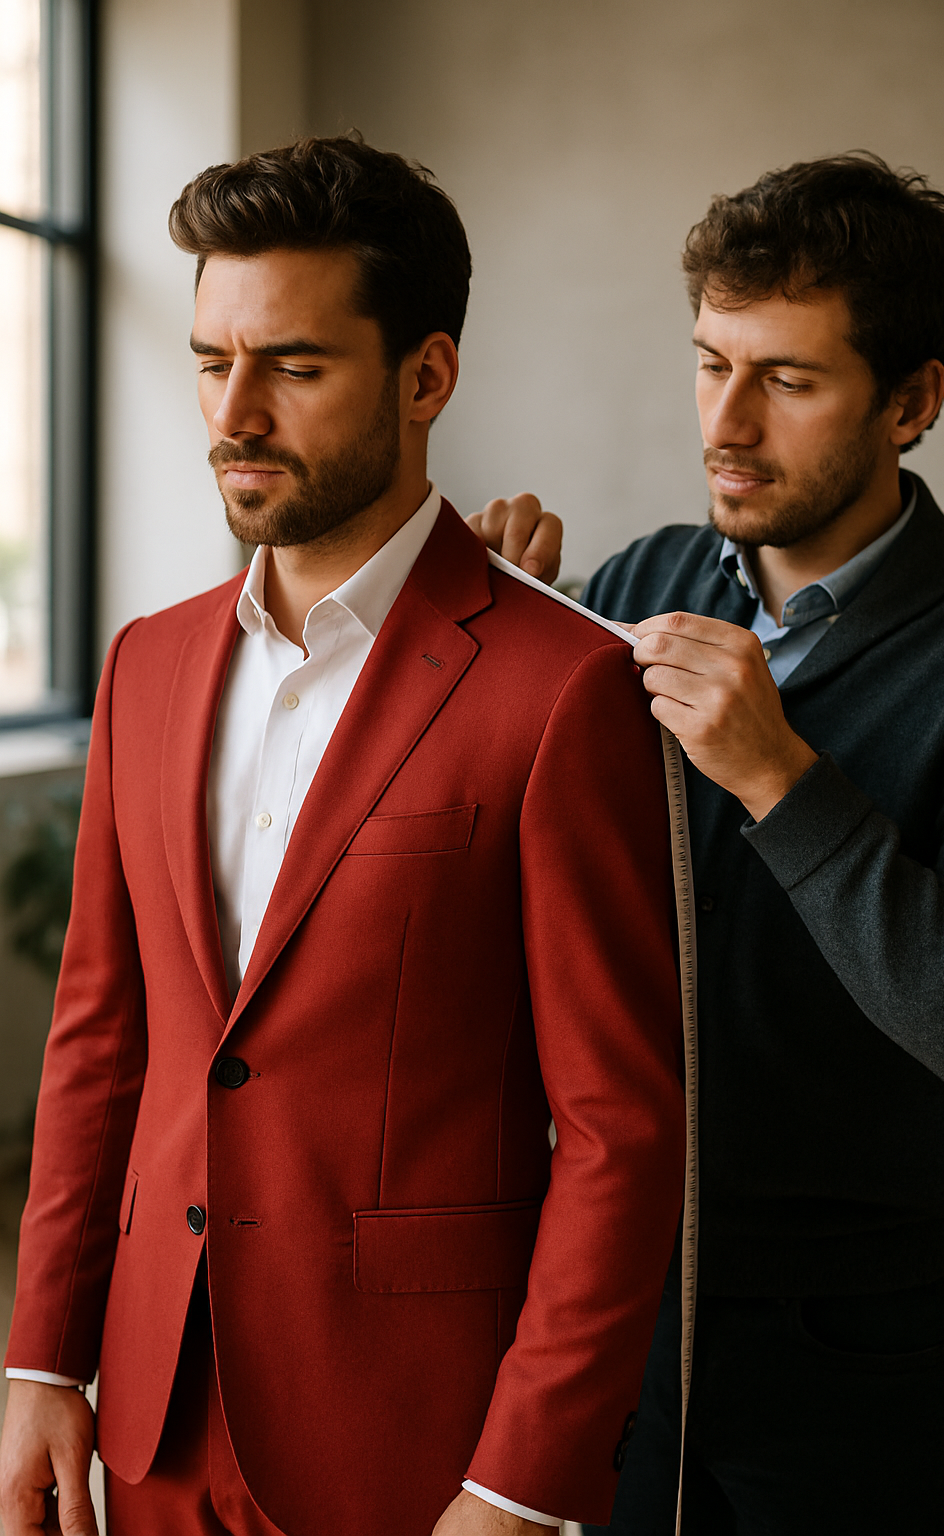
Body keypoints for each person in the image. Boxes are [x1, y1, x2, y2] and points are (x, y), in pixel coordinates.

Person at [0, 137, 688, 1536]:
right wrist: (41, 1358)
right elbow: (100, 1044)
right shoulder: (144, 665)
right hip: (150, 1420)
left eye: (294, 368)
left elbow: (621, 1131)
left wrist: (520, 1484)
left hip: (418, 1444)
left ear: (426, 376)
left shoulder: (561, 688)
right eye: (211, 361)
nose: (234, 412)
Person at [472, 152, 944, 1536]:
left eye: (786, 380)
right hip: (604, 1292)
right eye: (711, 361)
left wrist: (783, 777)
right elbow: (523, 900)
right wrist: (486, 656)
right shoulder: (638, 583)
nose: (725, 421)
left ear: (913, 399)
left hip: (853, 1344)